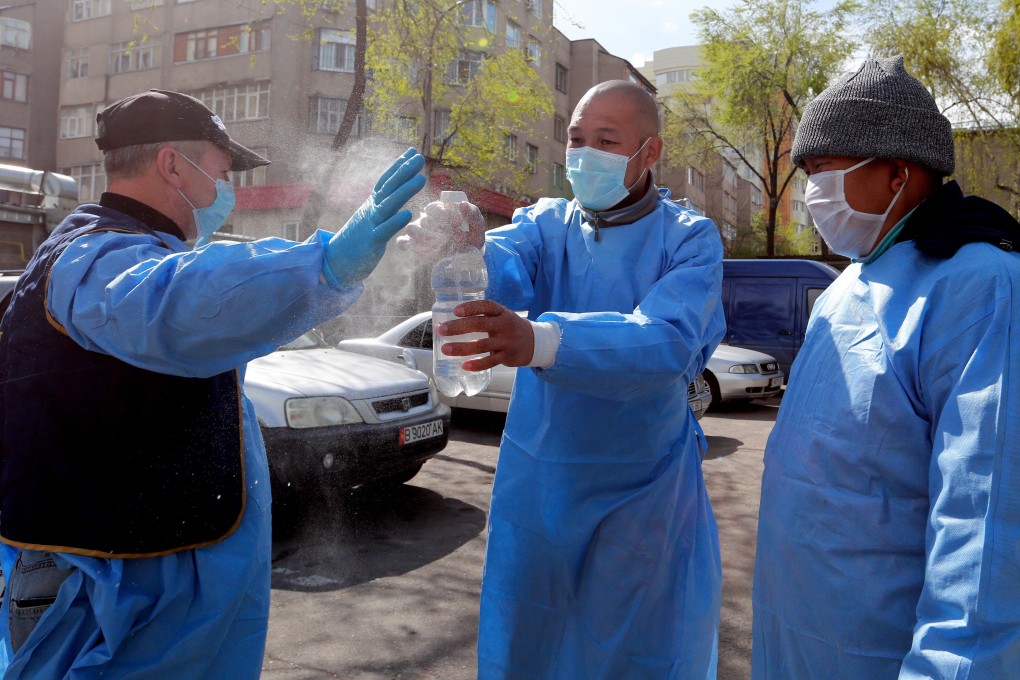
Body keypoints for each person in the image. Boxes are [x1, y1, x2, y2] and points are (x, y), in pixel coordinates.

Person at [0, 89, 426, 678]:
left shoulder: (138, 250)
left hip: (146, 575)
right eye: (223, 173)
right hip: (100, 589)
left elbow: (206, 310)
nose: (229, 192)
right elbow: (175, 301)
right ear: (172, 165)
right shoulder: (90, 256)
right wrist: (323, 266)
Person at [408, 79, 726, 678]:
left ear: (650, 152)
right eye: (577, 139)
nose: (584, 154)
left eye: (607, 141)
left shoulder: (688, 239)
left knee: (635, 650)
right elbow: (503, 264)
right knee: (530, 639)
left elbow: (668, 340)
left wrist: (544, 341)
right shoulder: (546, 224)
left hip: (643, 488)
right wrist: (467, 242)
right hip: (541, 483)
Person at [752, 55, 1020, 678]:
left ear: (898, 171)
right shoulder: (849, 283)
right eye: (807, 173)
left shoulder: (982, 286)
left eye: (824, 170)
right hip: (795, 633)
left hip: (881, 648)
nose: (812, 192)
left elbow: (985, 527)